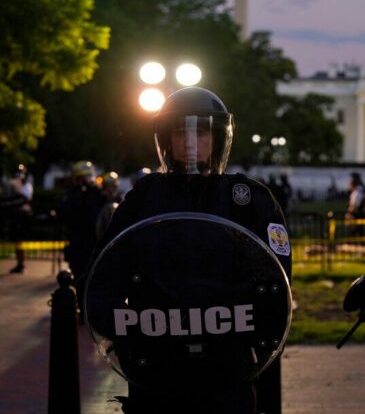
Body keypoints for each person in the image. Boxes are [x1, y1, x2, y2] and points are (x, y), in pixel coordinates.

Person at [90, 87, 292, 414]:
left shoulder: (246, 199)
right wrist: (123, 334)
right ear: (166, 141)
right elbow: (105, 268)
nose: (191, 141)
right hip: (156, 358)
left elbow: (276, 278)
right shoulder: (145, 197)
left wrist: (254, 334)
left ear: (218, 138)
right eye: (181, 132)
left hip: (227, 359)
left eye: (200, 131)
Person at [60, 160, 109, 315]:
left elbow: (107, 215)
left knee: (97, 277)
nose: (87, 180)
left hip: (96, 243)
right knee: (80, 277)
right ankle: (83, 309)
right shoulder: (71, 195)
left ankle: (95, 309)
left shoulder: (99, 195)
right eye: (83, 177)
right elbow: (65, 215)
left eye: (89, 176)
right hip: (78, 244)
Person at [0, 164, 33, 273]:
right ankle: (19, 264)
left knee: (20, 241)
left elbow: (24, 199)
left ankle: (21, 264)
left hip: (22, 216)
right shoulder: (14, 182)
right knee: (17, 241)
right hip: (15, 215)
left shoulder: (26, 184)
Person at [95, 171, 123, 240]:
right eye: (108, 186)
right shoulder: (98, 199)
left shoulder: (121, 198)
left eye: (113, 186)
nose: (110, 189)